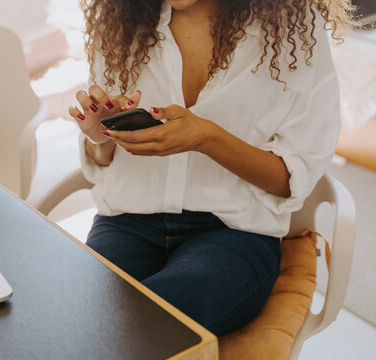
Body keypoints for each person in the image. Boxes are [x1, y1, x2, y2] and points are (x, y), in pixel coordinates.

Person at [68, 0, 355, 335]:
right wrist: (98, 134)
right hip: (126, 223)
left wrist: (206, 138)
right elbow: (102, 158)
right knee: (81, 317)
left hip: (233, 234)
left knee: (149, 325)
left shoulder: (294, 28)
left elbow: (291, 180)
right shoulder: (124, 17)